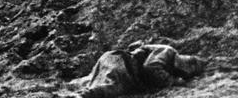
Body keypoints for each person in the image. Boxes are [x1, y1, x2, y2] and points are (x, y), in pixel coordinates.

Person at [76, 42, 206, 98]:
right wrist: (172, 81)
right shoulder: (168, 51)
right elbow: (150, 68)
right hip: (122, 63)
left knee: (94, 83)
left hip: (118, 62)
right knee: (114, 87)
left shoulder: (169, 61)